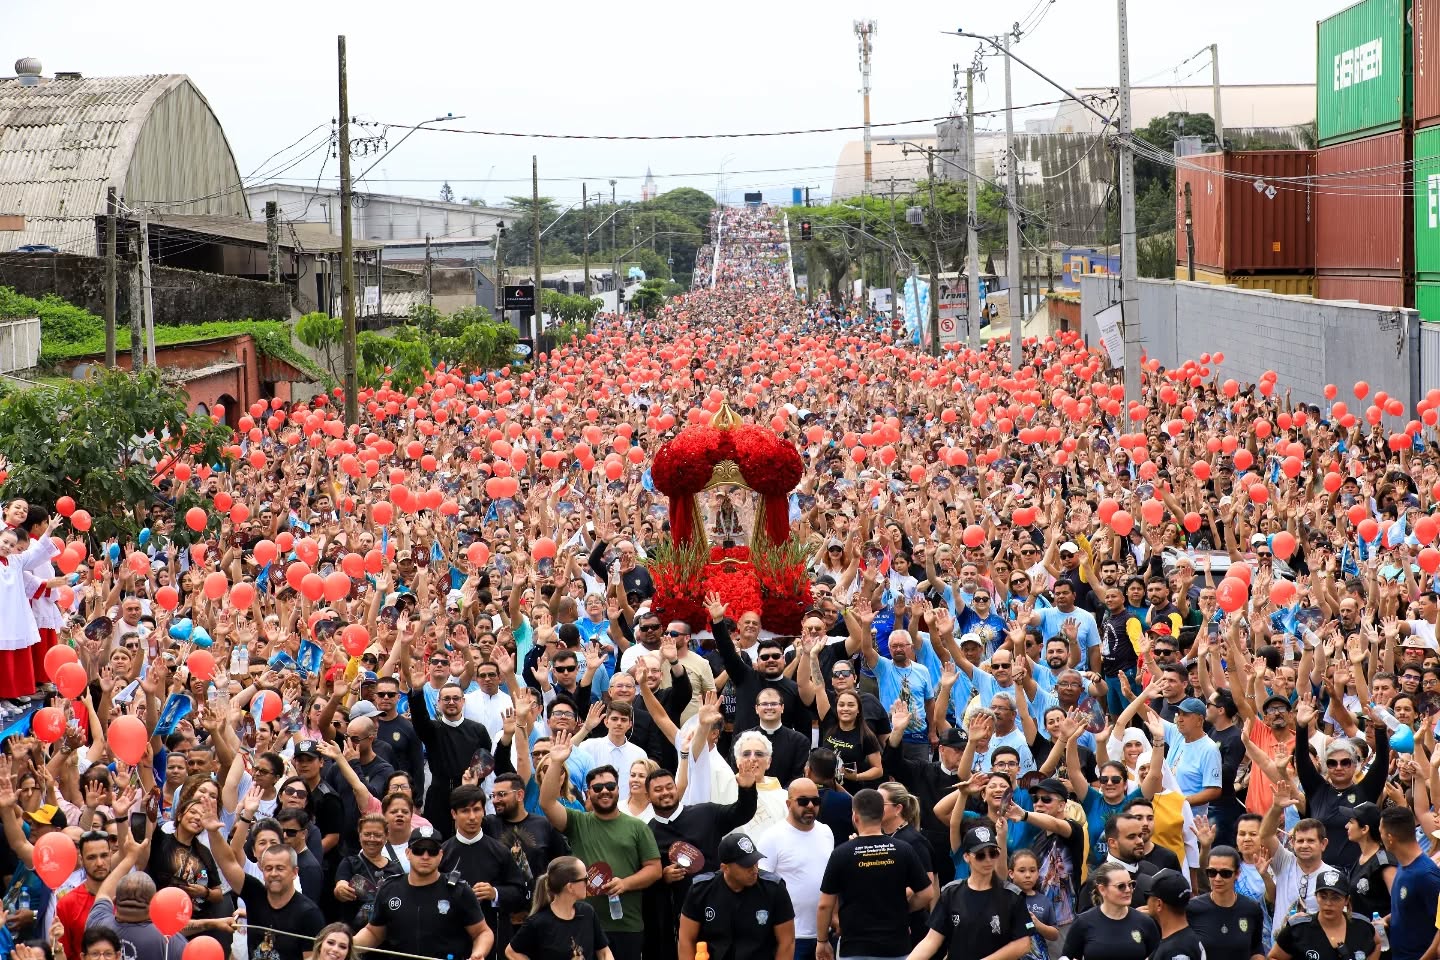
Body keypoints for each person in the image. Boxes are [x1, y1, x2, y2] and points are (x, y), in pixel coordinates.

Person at [539, 731, 661, 960]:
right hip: (582, 922)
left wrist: (625, 883)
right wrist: (556, 762)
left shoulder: (638, 827)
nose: (604, 791)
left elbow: (654, 869)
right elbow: (546, 803)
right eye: (597, 788)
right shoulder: (577, 822)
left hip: (626, 925)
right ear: (588, 792)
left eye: (610, 786)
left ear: (618, 789)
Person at [816, 789, 932, 960]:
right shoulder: (903, 850)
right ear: (882, 814)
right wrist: (902, 910)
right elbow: (927, 893)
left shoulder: (841, 853)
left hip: (855, 948)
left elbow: (825, 905)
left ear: (855, 817)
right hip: (896, 946)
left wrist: (822, 940)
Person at [356, 825, 495, 960]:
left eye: (432, 851)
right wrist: (350, 943)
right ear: (408, 853)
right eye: (418, 850)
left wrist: (478, 954)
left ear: (440, 855)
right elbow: (374, 933)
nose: (425, 856)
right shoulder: (389, 888)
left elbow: (482, 932)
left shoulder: (459, 891)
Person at [904, 824, 1033, 960]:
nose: (988, 860)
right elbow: (931, 941)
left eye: (993, 853)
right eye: (980, 855)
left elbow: (1023, 944)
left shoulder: (1012, 895)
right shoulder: (951, 893)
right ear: (966, 857)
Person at [208, 815, 326, 960]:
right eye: (268, 868)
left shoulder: (309, 914)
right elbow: (228, 862)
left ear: (294, 872)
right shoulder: (255, 894)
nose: (274, 874)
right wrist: (212, 832)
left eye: (280, 868)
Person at [442, 784, 531, 957]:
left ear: (484, 811)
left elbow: (520, 892)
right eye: (465, 811)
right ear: (454, 814)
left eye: (477, 810)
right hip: (452, 937)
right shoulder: (443, 853)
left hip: (494, 935)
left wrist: (495, 893)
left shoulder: (500, 851)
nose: (472, 817)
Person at [678, 833, 796, 960]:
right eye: (746, 865)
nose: (754, 869)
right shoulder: (701, 890)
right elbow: (686, 939)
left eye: (755, 862)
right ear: (725, 868)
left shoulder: (773, 889)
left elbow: (786, 942)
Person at [757, 778, 835, 960]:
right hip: (790, 936)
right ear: (788, 804)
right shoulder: (772, 837)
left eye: (815, 801)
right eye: (803, 801)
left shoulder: (826, 832)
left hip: (824, 934)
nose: (810, 806)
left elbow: (832, 880)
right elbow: (761, 886)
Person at [410, 679, 495, 835]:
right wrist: (417, 691)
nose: (451, 702)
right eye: (446, 699)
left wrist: (473, 781)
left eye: (456, 698)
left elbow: (486, 761)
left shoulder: (478, 730)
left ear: (463, 701)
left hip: (469, 796)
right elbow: (419, 717)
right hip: (438, 799)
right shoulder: (432, 729)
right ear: (439, 703)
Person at [507, 858, 613, 960]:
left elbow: (604, 952)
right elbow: (511, 952)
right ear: (570, 887)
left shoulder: (587, 912)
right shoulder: (538, 922)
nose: (589, 883)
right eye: (585, 879)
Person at [1270, 869, 1381, 960]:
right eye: (1323, 897)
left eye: (1335, 898)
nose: (1328, 903)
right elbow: (1273, 957)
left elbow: (1377, 943)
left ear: (1346, 900)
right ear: (1316, 897)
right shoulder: (1298, 929)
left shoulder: (1362, 925)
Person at [1378, 806, 1440, 960]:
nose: (1381, 837)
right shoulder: (1403, 864)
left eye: (1381, 832)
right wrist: (1386, 919)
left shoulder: (1426, 875)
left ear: (1390, 837)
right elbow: (1411, 907)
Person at [1060, 862, 1157, 960]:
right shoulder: (1083, 922)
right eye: (1121, 886)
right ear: (1102, 889)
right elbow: (1067, 957)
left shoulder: (1145, 922)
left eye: (1131, 884)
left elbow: (1157, 955)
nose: (1128, 890)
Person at [1184, 845, 1263, 960]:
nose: (1217, 878)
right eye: (1212, 872)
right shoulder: (1192, 909)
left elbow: (1256, 948)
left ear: (1237, 874)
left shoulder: (1251, 908)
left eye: (1225, 873)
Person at [1133, 869, 1204, 960]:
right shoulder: (1187, 938)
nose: (1146, 901)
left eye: (1147, 896)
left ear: (1159, 904)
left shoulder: (1174, 951)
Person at [1344, 802, 1394, 922]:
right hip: (1361, 929)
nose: (1346, 826)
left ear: (1364, 829)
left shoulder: (1384, 861)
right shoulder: (1361, 856)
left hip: (1381, 932)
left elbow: (1401, 903)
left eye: (1351, 822)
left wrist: (1383, 921)